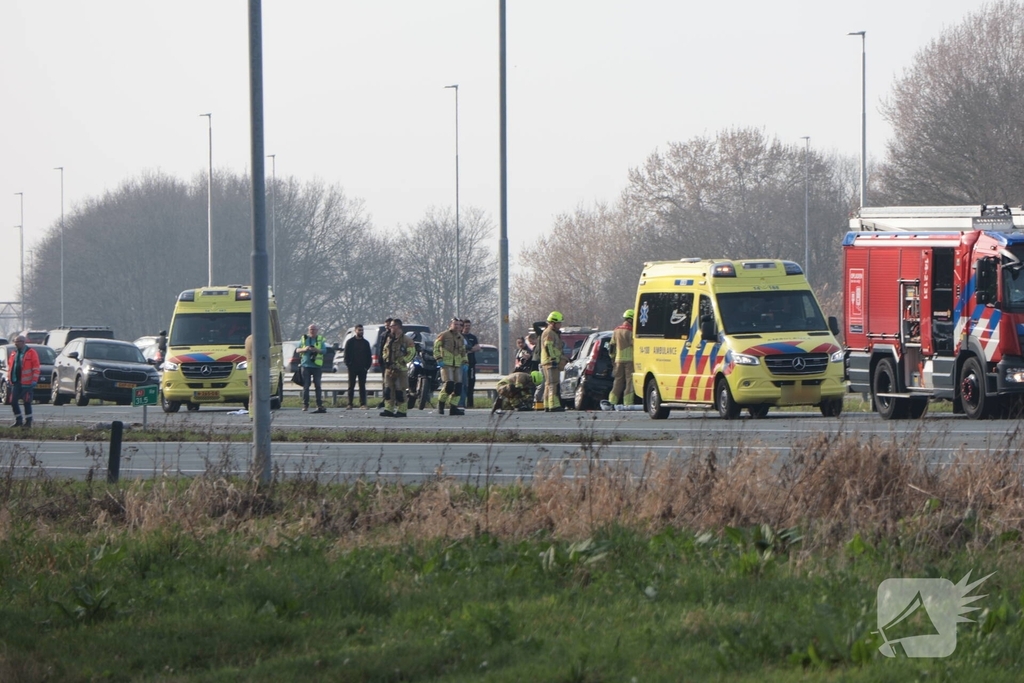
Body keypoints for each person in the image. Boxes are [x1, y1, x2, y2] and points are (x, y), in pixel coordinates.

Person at [380, 319, 416, 417]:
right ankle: (389, 409)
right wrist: (385, 358)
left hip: (400, 369)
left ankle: (402, 411)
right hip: (389, 368)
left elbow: (412, 353)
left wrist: (403, 361)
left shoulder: (406, 340)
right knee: (388, 390)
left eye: (392, 326)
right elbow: (385, 350)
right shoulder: (389, 338)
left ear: (398, 326)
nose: (390, 328)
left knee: (400, 391)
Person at [433, 317, 467, 416]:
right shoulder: (443, 335)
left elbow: (463, 351)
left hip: (457, 364)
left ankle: (453, 408)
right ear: (451, 325)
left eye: (459, 325)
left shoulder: (461, 338)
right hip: (446, 364)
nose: (457, 326)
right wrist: (438, 358)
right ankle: (441, 404)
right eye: (455, 324)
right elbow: (436, 347)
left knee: (458, 387)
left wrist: (465, 362)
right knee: (449, 385)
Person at [7, 335, 40, 428]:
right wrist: (9, 379)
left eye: (18, 342)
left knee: (27, 402)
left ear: (23, 342)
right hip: (16, 382)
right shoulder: (14, 353)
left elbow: (36, 367)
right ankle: (19, 420)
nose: (16, 344)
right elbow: (11, 368)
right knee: (13, 401)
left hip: (27, 383)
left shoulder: (31, 352)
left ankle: (28, 422)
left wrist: (34, 380)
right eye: (15, 342)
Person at [608, 309, 635, 406]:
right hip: (630, 361)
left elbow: (611, 346)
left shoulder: (616, 330)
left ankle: (612, 401)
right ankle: (628, 403)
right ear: (631, 319)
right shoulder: (631, 331)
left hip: (618, 360)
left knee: (617, 381)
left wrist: (613, 358)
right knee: (629, 382)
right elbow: (635, 345)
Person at [540, 311, 565, 412]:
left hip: (548, 361)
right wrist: (553, 359)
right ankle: (554, 405)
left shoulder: (552, 332)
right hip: (550, 362)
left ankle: (547, 404)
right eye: (558, 323)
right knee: (553, 383)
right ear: (553, 323)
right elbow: (548, 346)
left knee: (548, 384)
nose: (560, 325)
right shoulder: (549, 332)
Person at [299, 323, 327, 413]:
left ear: (317, 330)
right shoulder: (304, 339)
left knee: (318, 386)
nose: (312, 331)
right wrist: (305, 349)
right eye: (311, 329)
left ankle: (319, 404)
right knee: (306, 386)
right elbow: (297, 350)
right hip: (306, 365)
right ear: (308, 330)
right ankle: (305, 404)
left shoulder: (320, 339)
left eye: (314, 329)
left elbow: (324, 351)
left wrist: (316, 350)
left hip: (316, 366)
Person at [344, 324, 372, 409]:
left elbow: (369, 356)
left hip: (362, 368)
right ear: (355, 331)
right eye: (359, 330)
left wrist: (366, 367)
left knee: (362, 386)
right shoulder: (350, 342)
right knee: (351, 386)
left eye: (362, 330)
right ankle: (350, 404)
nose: (361, 332)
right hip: (352, 368)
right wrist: (349, 365)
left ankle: (363, 404)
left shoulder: (366, 343)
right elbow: (346, 355)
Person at [460, 319, 481, 408]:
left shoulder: (473, 337)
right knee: (462, 383)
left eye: (469, 326)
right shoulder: (459, 336)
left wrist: (470, 349)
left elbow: (477, 347)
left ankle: (470, 403)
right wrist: (469, 349)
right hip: (462, 363)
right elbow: (461, 349)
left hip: (471, 363)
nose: (467, 327)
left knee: (471, 382)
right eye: (466, 326)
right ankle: (461, 403)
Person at [375, 318, 394, 409]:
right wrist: (380, 359)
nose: (387, 327)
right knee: (385, 382)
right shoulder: (383, 335)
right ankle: (385, 399)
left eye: (388, 326)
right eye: (385, 326)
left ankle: (393, 399)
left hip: (394, 362)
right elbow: (381, 348)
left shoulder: (397, 335)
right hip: (385, 362)